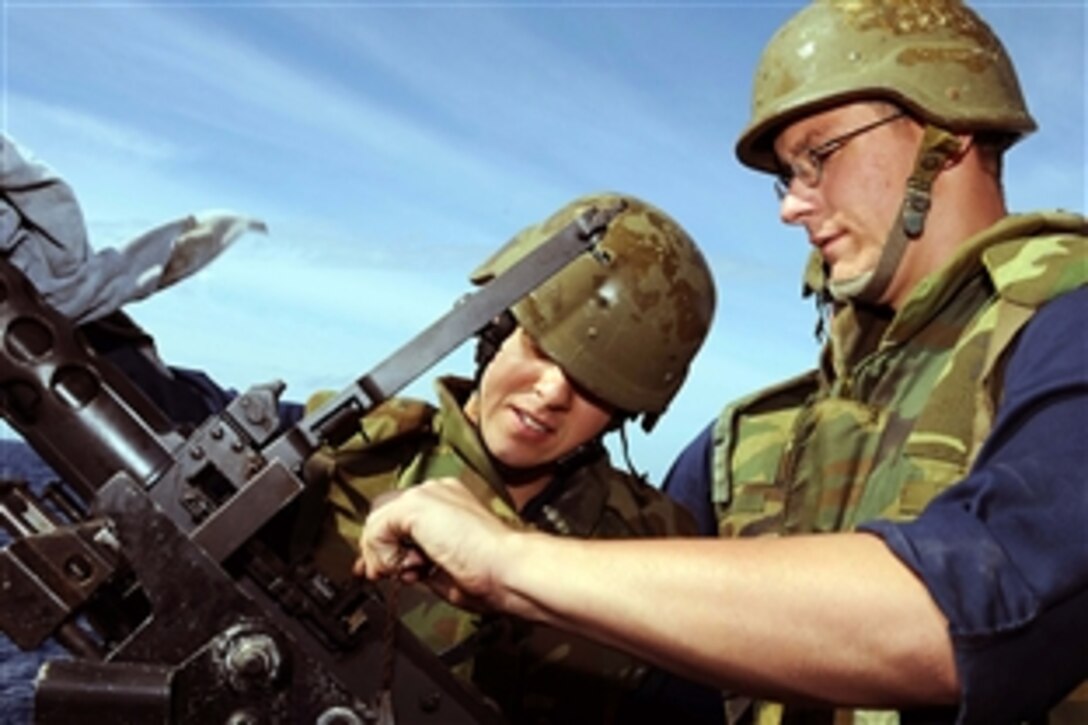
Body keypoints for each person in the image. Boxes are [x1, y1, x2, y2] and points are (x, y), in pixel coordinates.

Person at [355, 2, 1087, 724]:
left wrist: (510, 562)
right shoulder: (744, 448)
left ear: (945, 137)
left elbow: (972, 612)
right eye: (787, 175)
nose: (791, 208)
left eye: (819, 157)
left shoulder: (1063, 329)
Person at [293, 192, 723, 724]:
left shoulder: (654, 550)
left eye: (593, 385)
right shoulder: (340, 459)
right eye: (541, 350)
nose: (550, 393)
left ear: (622, 412)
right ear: (494, 331)